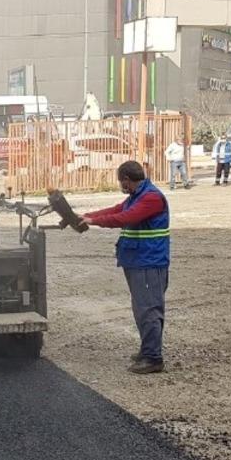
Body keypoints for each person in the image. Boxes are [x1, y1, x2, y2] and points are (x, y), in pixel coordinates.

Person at [81, 161, 170, 375]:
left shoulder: (151, 198)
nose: (121, 185)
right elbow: (117, 209)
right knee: (142, 309)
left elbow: (124, 217)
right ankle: (147, 350)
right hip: (139, 260)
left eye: (121, 181)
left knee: (148, 309)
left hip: (148, 261)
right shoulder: (137, 196)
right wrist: (88, 216)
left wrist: (93, 221)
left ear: (127, 180)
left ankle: (152, 358)